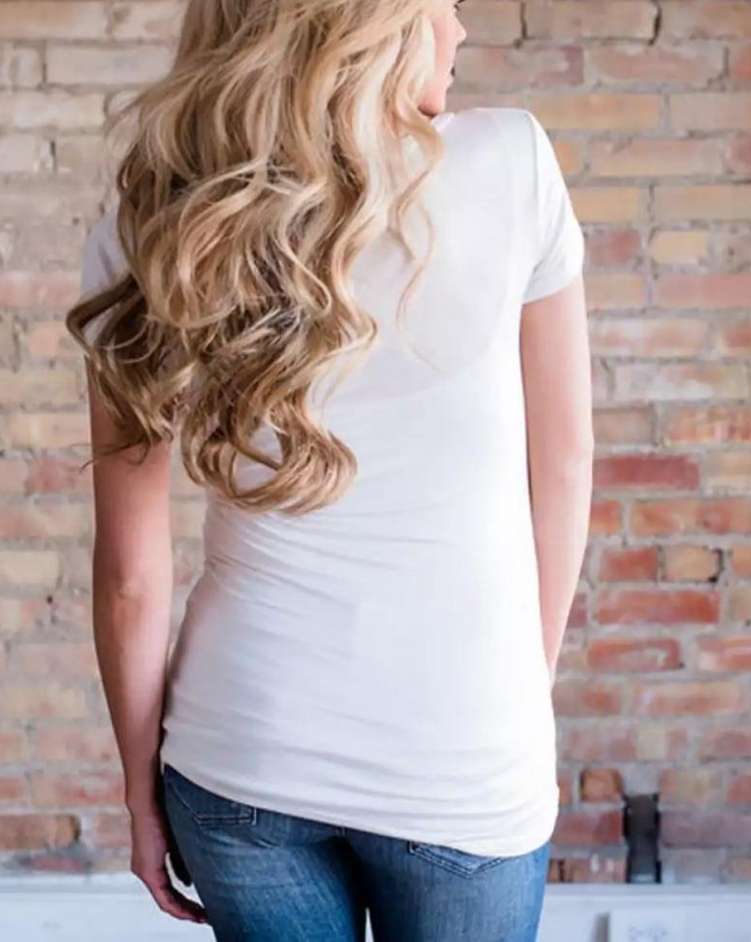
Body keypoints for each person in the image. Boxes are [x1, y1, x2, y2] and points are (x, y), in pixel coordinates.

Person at [66, 0, 593, 938]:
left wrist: (139, 792)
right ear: (367, 21)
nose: (460, 31)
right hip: (463, 757)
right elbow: (562, 464)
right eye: (442, 5)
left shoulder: (152, 226)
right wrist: (520, 692)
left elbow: (129, 578)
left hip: (242, 753)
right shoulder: (513, 162)